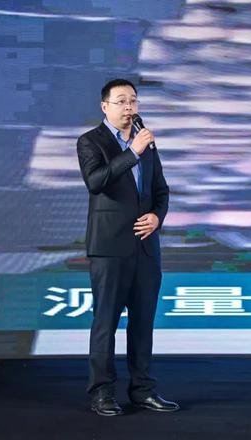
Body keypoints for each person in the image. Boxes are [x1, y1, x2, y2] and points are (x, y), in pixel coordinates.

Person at [76, 78, 178, 416]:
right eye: (121, 101)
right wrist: (132, 152)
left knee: (142, 322)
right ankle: (102, 393)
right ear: (104, 106)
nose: (129, 107)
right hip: (110, 247)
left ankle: (143, 390)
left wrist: (157, 217)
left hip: (146, 247)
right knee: (106, 322)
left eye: (133, 100)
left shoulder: (146, 141)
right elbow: (96, 182)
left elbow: (161, 190)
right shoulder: (91, 141)